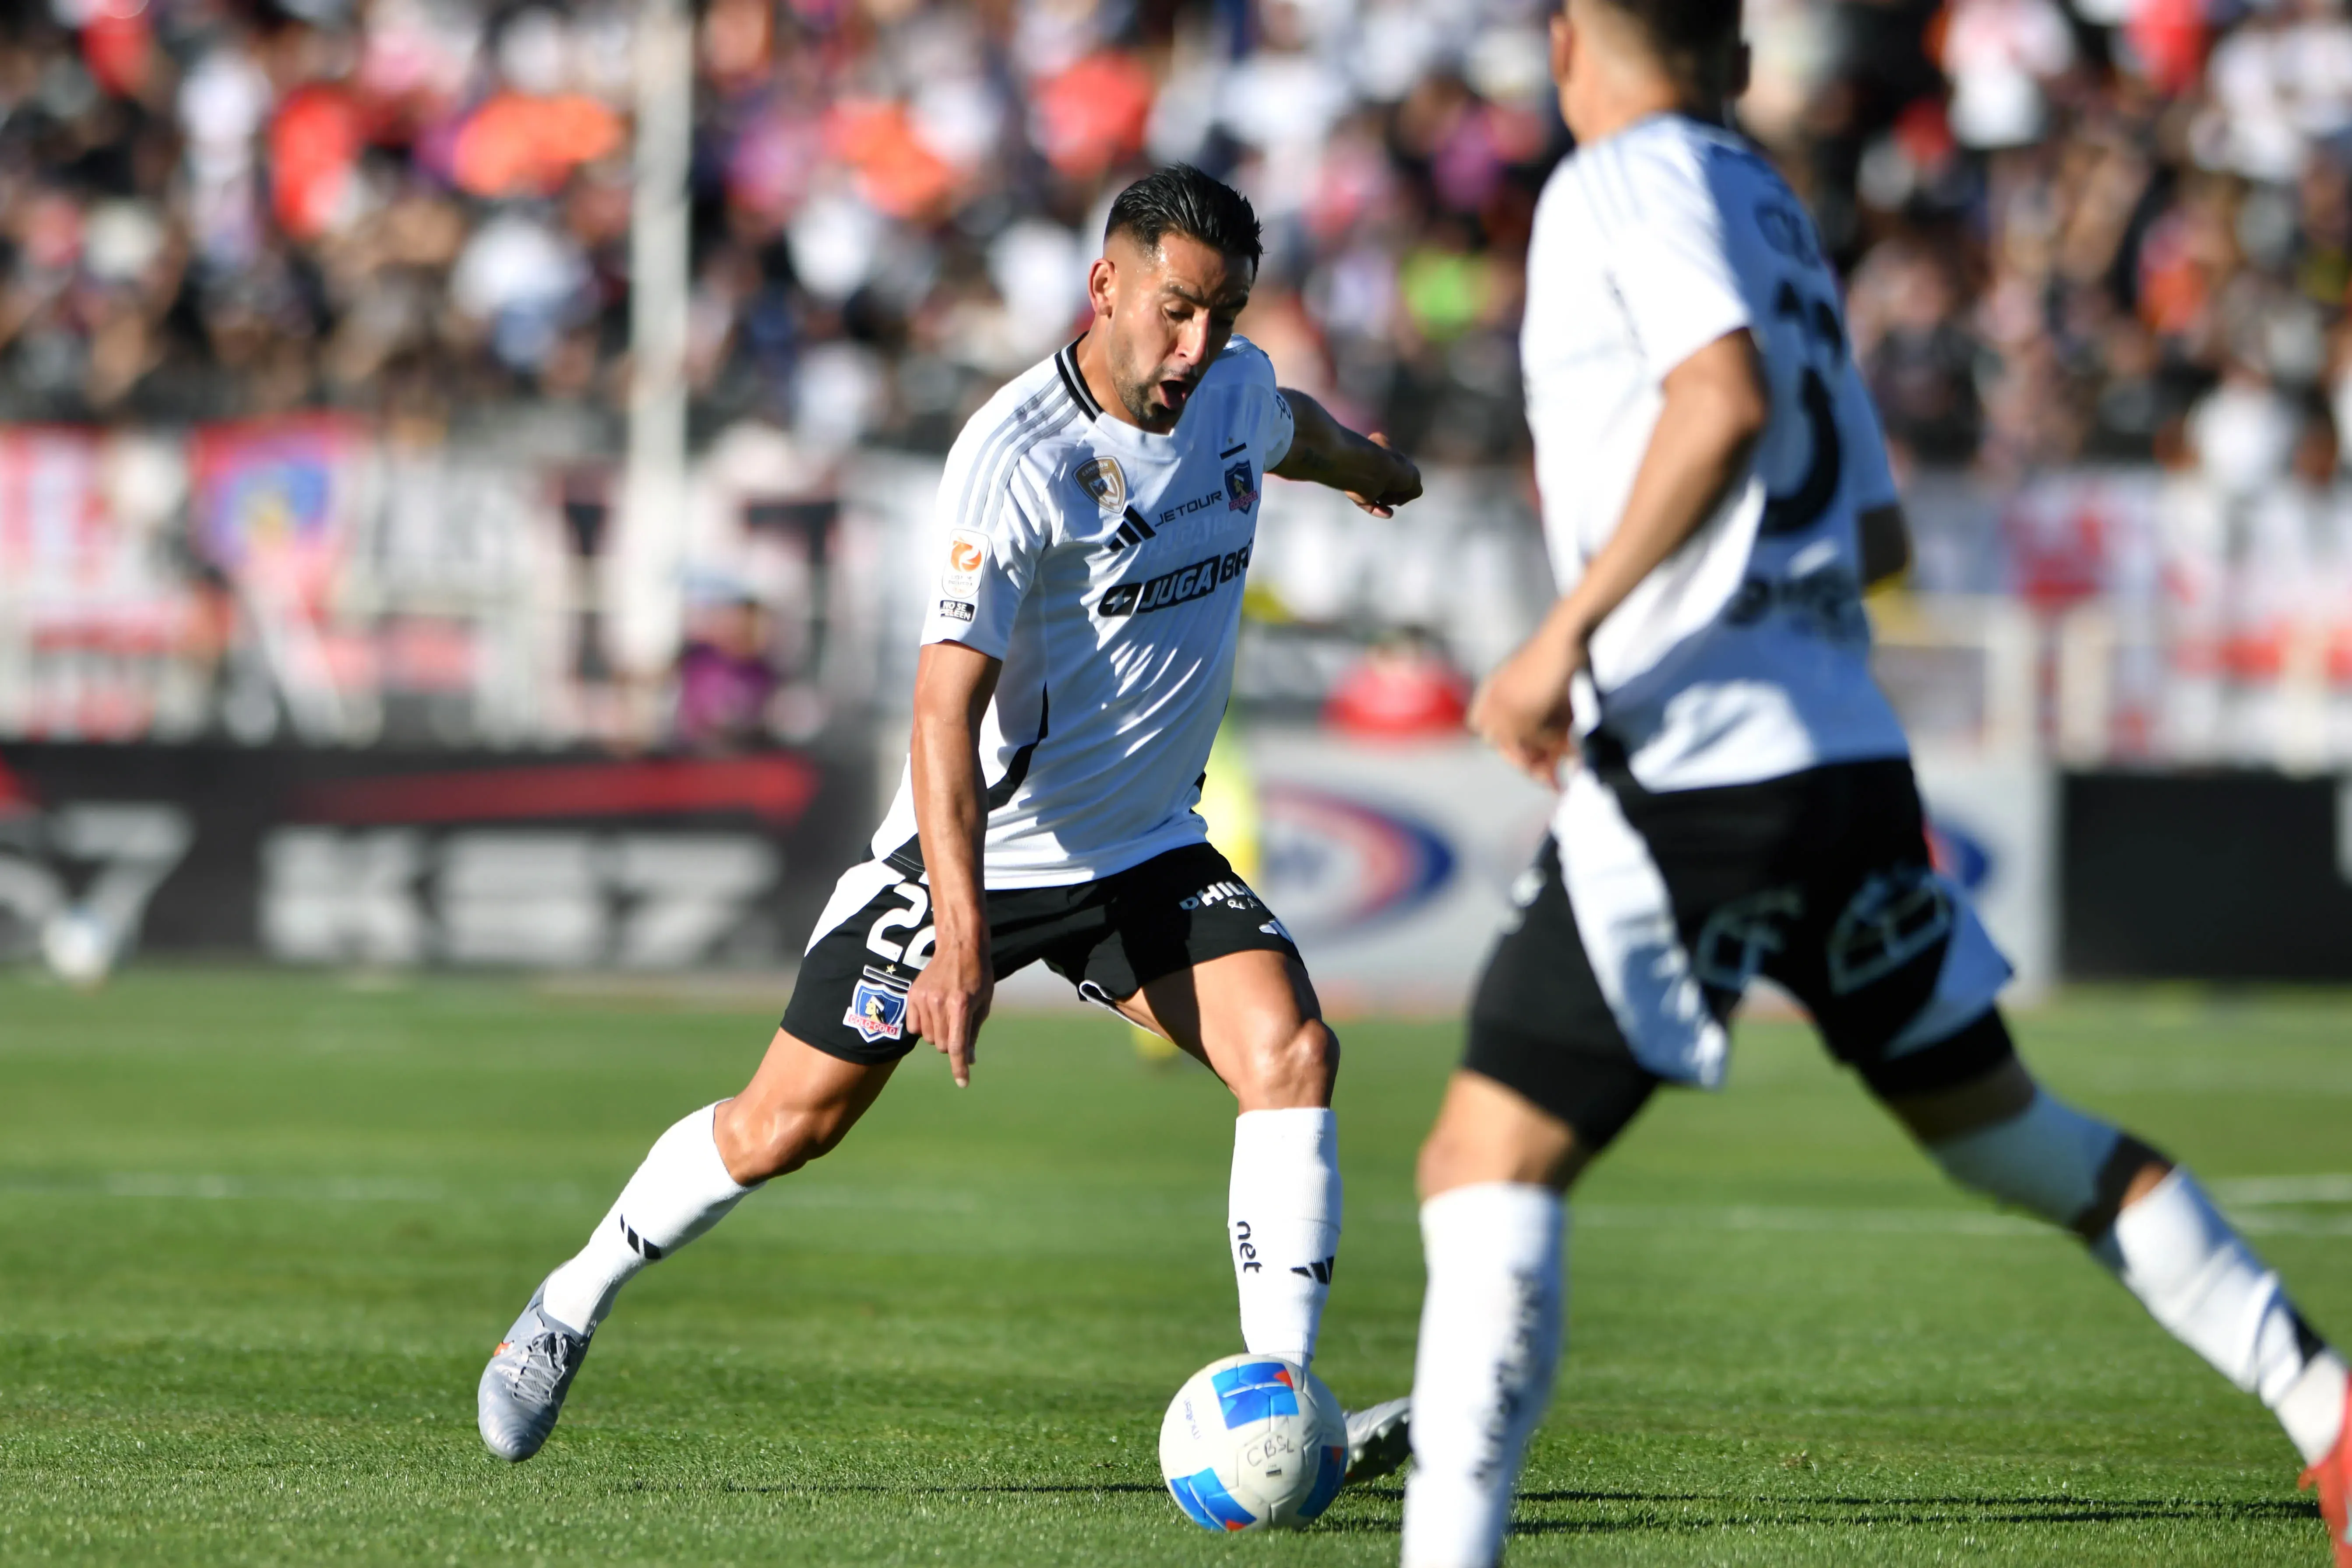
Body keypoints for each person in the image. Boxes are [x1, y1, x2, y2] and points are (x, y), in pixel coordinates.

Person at [1393, 3, 2352, 1565]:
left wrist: (1558, 638)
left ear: (1571, 44)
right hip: (1841, 748)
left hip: (1696, 755)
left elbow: (1722, 404)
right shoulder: (1767, 205)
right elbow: (1880, 528)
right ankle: (2327, 1407)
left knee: (1482, 1162)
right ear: (1742, 61)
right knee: (2002, 1129)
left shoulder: (1616, 181)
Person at [476, 165, 1424, 1482]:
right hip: (975, 846)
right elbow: (939, 713)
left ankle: (1282, 1403)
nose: (1198, 347)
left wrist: (1371, 467)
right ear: (1107, 287)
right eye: (1177, 311)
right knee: (784, 1126)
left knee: (1293, 1053)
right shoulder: (1016, 459)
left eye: (1225, 315)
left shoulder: (1235, 390)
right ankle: (569, 1300)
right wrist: (964, 937)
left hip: (1144, 846)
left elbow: (1287, 421)